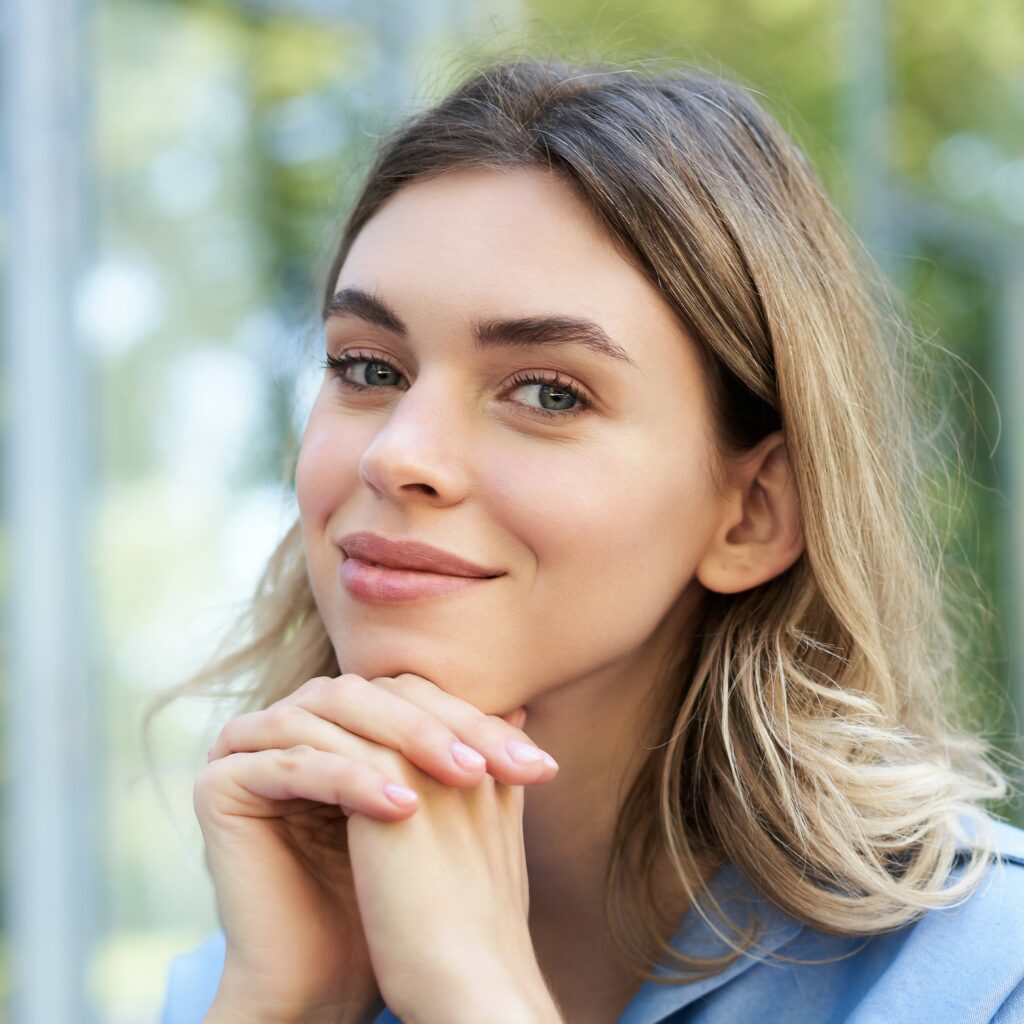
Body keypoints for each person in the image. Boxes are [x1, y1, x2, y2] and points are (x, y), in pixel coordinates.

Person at [153, 56, 1024, 1024]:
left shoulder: (987, 978)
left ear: (752, 513)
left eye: (547, 392)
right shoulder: (246, 974)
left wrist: (476, 999)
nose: (399, 455)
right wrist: (293, 1004)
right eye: (366, 366)